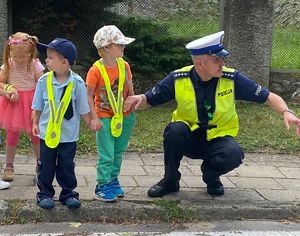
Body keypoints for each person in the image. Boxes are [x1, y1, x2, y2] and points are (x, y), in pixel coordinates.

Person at [124, 31, 300, 198]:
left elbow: (269, 97)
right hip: (188, 138)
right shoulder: (179, 78)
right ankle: (170, 181)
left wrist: (287, 111)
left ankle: (210, 176)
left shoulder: (232, 78)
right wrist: (138, 99)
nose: (222, 64)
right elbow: (148, 99)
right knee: (174, 131)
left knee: (233, 154)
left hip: (218, 139)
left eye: (222, 59)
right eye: (216, 60)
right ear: (200, 63)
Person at [32, 38, 98, 210]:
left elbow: (83, 108)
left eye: (50, 57)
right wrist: (35, 123)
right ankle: (45, 194)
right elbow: (37, 106)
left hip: (69, 135)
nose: (46, 60)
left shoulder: (77, 83)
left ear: (64, 62)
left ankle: (68, 193)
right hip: (47, 133)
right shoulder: (43, 82)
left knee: (66, 165)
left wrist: (90, 122)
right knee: (46, 164)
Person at [86, 25, 136, 202]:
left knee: (118, 151)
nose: (123, 46)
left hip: (124, 116)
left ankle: (113, 180)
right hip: (104, 117)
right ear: (106, 48)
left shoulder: (125, 66)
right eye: (119, 44)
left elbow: (129, 89)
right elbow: (88, 95)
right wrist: (93, 117)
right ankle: (102, 184)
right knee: (106, 152)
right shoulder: (95, 70)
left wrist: (132, 105)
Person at [0, 32, 45, 182]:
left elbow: (42, 83)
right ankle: (9, 166)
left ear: (30, 52)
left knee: (36, 134)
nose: (19, 60)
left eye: (23, 56)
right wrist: (9, 89)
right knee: (11, 135)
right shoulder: (8, 63)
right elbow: (0, 82)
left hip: (33, 103)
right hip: (14, 104)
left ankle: (41, 164)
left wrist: (40, 103)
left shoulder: (35, 63)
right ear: (10, 52)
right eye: (16, 56)